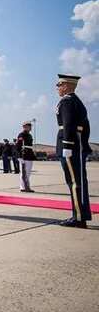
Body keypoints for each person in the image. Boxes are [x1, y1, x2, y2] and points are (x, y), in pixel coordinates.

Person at [55, 74, 92, 228]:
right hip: (77, 145)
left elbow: (68, 124)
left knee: (75, 182)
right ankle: (81, 215)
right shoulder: (77, 102)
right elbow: (86, 127)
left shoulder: (67, 101)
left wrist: (68, 146)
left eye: (59, 85)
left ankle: (78, 218)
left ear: (67, 86)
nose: (57, 88)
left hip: (70, 146)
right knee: (78, 181)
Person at [16, 121, 36, 193]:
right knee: (24, 172)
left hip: (29, 154)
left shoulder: (29, 135)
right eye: (28, 126)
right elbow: (18, 146)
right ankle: (24, 187)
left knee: (28, 172)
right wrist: (20, 156)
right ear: (24, 127)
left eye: (30, 126)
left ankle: (25, 186)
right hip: (23, 154)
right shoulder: (21, 134)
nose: (30, 128)